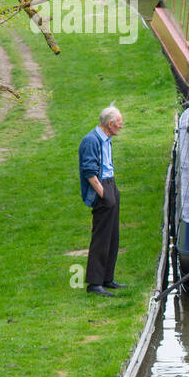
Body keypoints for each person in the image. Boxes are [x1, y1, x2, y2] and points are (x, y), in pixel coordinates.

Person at [78, 106, 126, 297]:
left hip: (110, 184)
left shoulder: (107, 140)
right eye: (119, 123)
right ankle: (94, 283)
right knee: (101, 237)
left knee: (113, 236)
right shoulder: (91, 141)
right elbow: (89, 172)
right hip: (102, 188)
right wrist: (103, 194)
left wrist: (113, 191)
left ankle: (108, 278)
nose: (121, 127)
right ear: (110, 124)